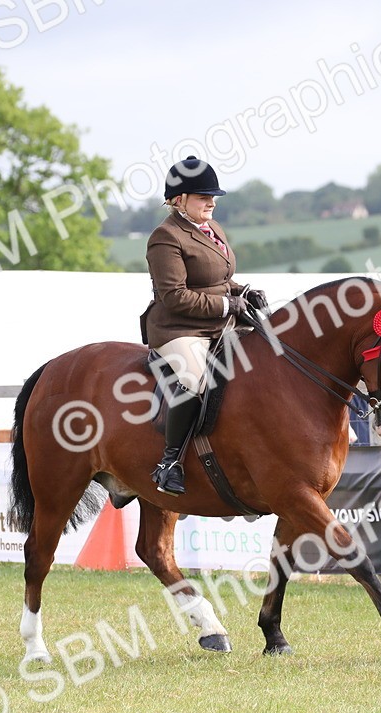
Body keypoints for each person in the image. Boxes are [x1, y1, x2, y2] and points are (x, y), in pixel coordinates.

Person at [141, 155, 266, 496]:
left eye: (213, 197)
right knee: (195, 379)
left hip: (220, 324)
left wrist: (242, 291)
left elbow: (218, 279)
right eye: (203, 197)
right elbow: (175, 297)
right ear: (178, 200)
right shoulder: (165, 237)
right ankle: (170, 463)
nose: (211, 202)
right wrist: (227, 304)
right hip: (179, 328)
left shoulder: (212, 228)